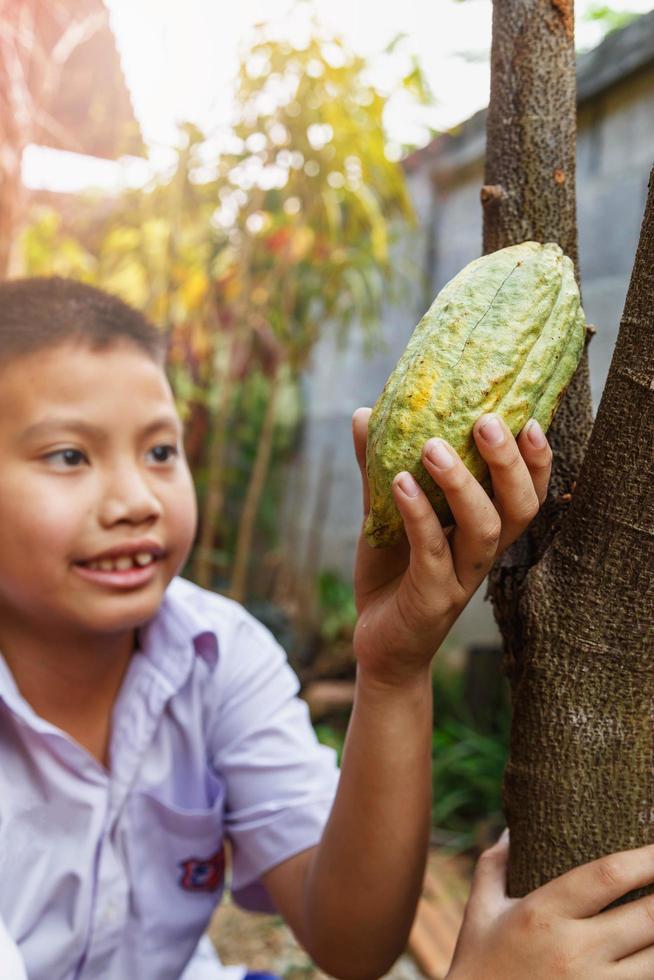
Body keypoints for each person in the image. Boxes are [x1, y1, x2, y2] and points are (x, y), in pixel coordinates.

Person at [0, 276, 652, 980]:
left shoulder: (215, 653)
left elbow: (349, 939)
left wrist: (394, 668)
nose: (135, 500)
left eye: (160, 452)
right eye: (68, 455)